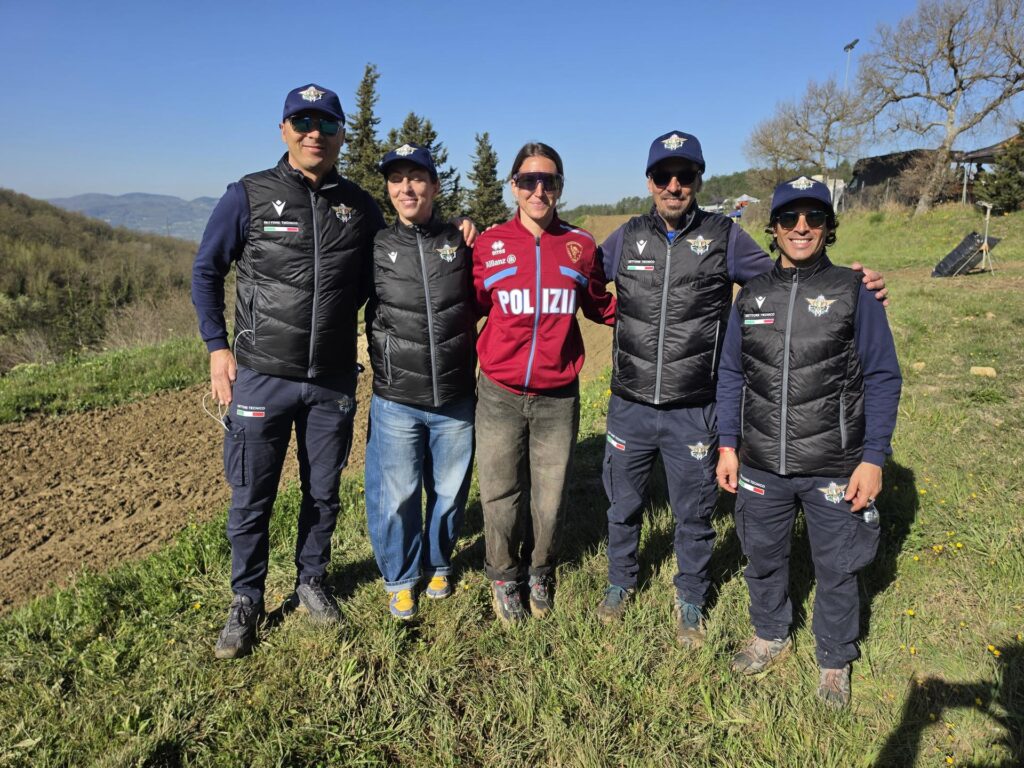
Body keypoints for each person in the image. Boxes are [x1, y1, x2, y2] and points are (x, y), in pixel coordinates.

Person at [594, 131, 887, 647]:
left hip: (694, 407)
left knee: (694, 512)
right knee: (622, 506)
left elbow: (787, 275)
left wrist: (856, 284)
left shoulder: (724, 236)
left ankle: (691, 596)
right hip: (630, 404)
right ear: (650, 182)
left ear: (698, 182)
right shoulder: (624, 237)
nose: (674, 185)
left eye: (685, 176)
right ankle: (620, 582)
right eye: (664, 176)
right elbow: (577, 279)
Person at [192, 83, 386, 659]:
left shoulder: (360, 207)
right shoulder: (248, 196)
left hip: (331, 379)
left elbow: (390, 277)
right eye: (302, 122)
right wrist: (216, 347)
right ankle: (246, 598)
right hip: (260, 375)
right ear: (283, 130)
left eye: (326, 125)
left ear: (341, 135)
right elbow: (206, 271)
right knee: (252, 495)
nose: (314, 134)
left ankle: (312, 582)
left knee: (323, 493)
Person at [715, 176, 902, 707]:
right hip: (760, 462)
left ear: (828, 227)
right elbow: (731, 374)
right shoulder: (750, 296)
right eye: (790, 219)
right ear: (773, 229)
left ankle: (834, 659)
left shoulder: (852, 291)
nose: (802, 227)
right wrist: (728, 444)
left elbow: (883, 376)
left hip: (834, 464)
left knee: (837, 566)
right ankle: (770, 633)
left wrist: (873, 458)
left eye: (814, 218)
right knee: (763, 555)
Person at [472, 142, 616, 623]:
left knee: (549, 496)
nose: (539, 189)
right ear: (513, 186)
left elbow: (599, 304)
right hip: (499, 393)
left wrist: (661, 311)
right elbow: (464, 305)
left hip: (558, 397)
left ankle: (539, 569)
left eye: (549, 181)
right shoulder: (489, 244)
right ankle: (502, 575)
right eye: (529, 180)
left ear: (559, 188)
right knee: (499, 493)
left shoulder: (581, 245)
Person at [364, 143, 476, 620]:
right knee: (397, 496)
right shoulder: (375, 246)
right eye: (396, 179)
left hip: (455, 396)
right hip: (397, 397)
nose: (406, 187)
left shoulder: (462, 241)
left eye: (416, 178)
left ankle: (438, 561)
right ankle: (400, 576)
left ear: (433, 185)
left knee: (449, 493)